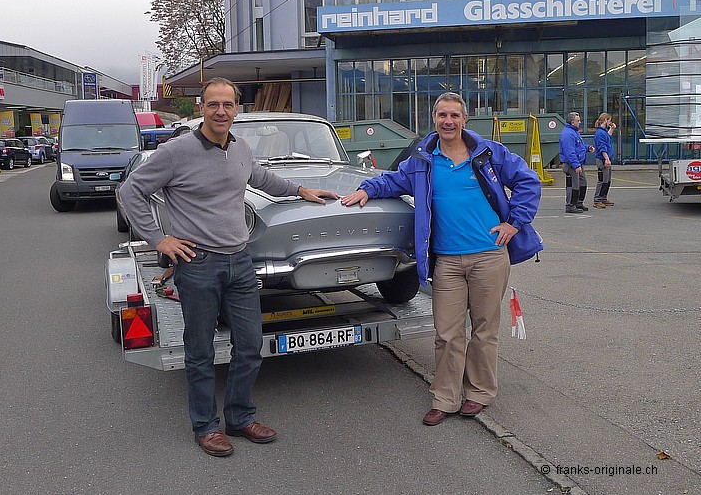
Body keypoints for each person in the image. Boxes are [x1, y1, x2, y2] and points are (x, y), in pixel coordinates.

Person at [119, 77, 339, 457]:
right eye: (213, 104)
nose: (221, 111)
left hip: (240, 261)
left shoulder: (240, 148)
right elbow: (130, 191)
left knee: (250, 345)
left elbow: (262, 177)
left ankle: (239, 417)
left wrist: (300, 190)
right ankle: (206, 426)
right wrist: (159, 240)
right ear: (201, 108)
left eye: (228, 105)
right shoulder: (176, 152)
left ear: (237, 109)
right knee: (200, 351)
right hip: (198, 264)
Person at [341, 92, 541, 424]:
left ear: (465, 120)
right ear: (434, 119)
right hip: (447, 262)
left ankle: (479, 393)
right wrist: (367, 190)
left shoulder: (489, 153)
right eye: (442, 115)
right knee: (447, 333)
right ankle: (445, 397)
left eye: (454, 115)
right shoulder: (423, 160)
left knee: (484, 329)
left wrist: (515, 223)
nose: (448, 121)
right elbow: (393, 180)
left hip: (489, 256)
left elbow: (527, 181)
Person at [558, 112, 594, 213]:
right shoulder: (568, 134)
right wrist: (576, 165)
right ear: (572, 122)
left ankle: (578, 202)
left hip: (578, 163)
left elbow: (579, 147)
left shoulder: (574, 132)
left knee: (582, 183)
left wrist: (587, 148)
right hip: (571, 164)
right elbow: (569, 152)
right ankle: (570, 205)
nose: (580, 122)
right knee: (574, 185)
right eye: (578, 121)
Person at [593, 113, 616, 209]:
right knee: (602, 180)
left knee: (607, 180)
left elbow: (608, 137)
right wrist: (606, 159)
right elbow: (602, 147)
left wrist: (612, 129)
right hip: (602, 159)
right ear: (605, 120)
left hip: (606, 159)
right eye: (609, 120)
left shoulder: (603, 132)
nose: (610, 122)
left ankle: (603, 197)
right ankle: (597, 199)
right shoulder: (599, 133)